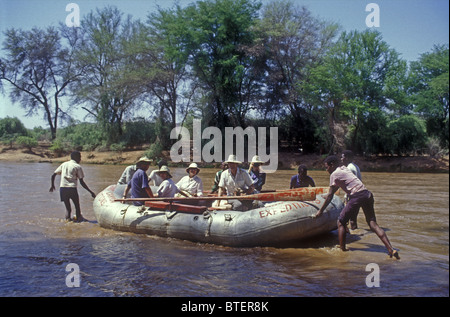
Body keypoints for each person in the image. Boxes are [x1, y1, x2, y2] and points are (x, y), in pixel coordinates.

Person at [315, 155, 400, 259]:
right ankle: (391, 249)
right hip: (367, 194)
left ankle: (342, 250)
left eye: (326, 167)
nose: (326, 169)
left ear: (332, 165)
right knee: (373, 224)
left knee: (341, 222)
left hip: (356, 196)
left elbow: (330, 195)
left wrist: (320, 211)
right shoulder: (344, 169)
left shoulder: (334, 174)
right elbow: (342, 184)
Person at [49, 151, 96, 222]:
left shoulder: (64, 164)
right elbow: (82, 182)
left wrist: (52, 185)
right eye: (80, 157)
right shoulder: (77, 166)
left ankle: (67, 222)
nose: (80, 159)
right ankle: (78, 221)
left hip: (63, 189)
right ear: (76, 157)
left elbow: (53, 175)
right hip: (72, 188)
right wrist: (91, 192)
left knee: (68, 209)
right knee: (77, 207)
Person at [341, 150, 361, 230]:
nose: (341, 159)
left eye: (342, 157)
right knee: (353, 217)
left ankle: (353, 236)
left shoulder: (349, 168)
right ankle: (355, 232)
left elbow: (350, 183)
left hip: (353, 195)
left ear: (347, 158)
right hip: (359, 194)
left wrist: (346, 196)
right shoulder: (355, 166)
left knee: (350, 218)